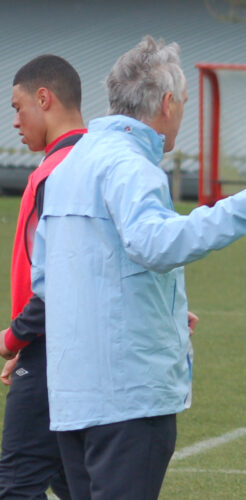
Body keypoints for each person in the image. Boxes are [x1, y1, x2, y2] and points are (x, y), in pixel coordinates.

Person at [29, 36, 246, 500]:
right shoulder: (131, 166)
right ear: (168, 103)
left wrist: (150, 305)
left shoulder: (68, 165)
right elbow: (155, 243)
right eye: (185, 102)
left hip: (72, 398)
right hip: (128, 399)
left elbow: (47, 278)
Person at [0, 54, 83, 500]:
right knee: (77, 485)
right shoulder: (99, 162)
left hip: (51, 354)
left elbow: (59, 283)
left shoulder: (58, 172)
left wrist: (16, 339)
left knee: (17, 486)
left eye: (18, 107)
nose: (14, 120)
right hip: (73, 355)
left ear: (44, 98)